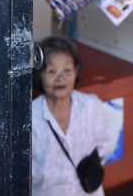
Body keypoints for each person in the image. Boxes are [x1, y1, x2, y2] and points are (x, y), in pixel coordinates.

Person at [32, 36, 110, 196]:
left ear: (76, 71)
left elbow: (103, 147)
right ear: (40, 74)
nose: (60, 78)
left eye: (67, 70)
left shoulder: (91, 105)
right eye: (51, 71)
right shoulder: (30, 117)